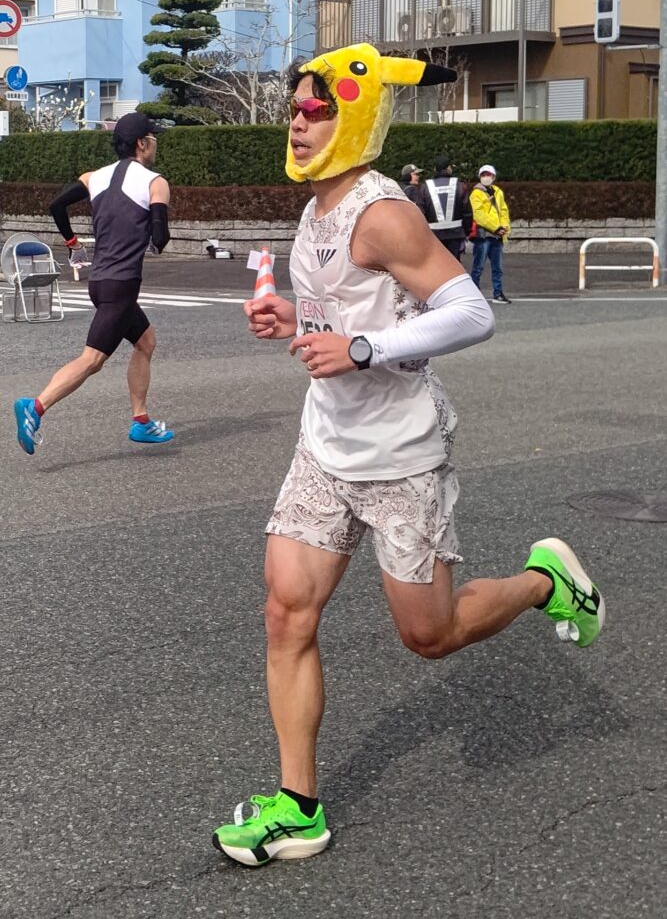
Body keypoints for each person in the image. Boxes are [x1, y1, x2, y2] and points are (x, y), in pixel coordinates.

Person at [211, 43, 605, 868]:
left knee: (428, 636)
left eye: (316, 109)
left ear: (353, 119)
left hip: (399, 455)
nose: (298, 122)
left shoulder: (383, 213)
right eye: (293, 108)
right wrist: (294, 322)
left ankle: (544, 581)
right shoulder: (316, 206)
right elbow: (343, 309)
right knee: (285, 612)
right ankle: (297, 807)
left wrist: (361, 349)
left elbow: (470, 312)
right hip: (325, 447)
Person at [13, 111, 175, 455]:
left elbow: (57, 205)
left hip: (100, 281)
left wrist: (73, 243)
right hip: (121, 285)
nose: (155, 144)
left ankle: (141, 420)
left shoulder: (94, 177)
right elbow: (160, 238)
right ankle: (35, 407)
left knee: (146, 341)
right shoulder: (155, 182)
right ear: (141, 144)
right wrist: (149, 237)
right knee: (92, 360)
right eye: (153, 139)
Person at [414, 154, 473, 261]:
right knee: (453, 264)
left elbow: (420, 213)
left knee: (436, 264)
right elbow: (467, 212)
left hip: (434, 235)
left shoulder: (425, 187)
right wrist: (467, 231)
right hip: (455, 234)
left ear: (435, 169)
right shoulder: (459, 185)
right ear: (449, 168)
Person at [469, 164, 511, 305]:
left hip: (497, 235)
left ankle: (498, 293)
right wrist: (496, 228)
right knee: (478, 267)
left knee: (497, 268)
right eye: (483, 175)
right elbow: (479, 215)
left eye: (488, 174)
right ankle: (474, 294)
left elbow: (503, 211)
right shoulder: (476, 194)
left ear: (493, 176)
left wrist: (504, 227)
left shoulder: (498, 192)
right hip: (483, 235)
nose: (486, 177)